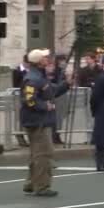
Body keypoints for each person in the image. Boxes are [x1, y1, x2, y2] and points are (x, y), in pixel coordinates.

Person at [20, 49, 70, 197]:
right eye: (45, 57)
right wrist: (44, 106)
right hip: (38, 122)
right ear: (38, 61)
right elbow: (29, 99)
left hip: (39, 121)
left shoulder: (39, 77)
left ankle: (31, 183)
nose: (48, 59)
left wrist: (66, 84)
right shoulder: (33, 78)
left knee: (36, 154)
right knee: (44, 154)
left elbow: (51, 91)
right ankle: (42, 186)